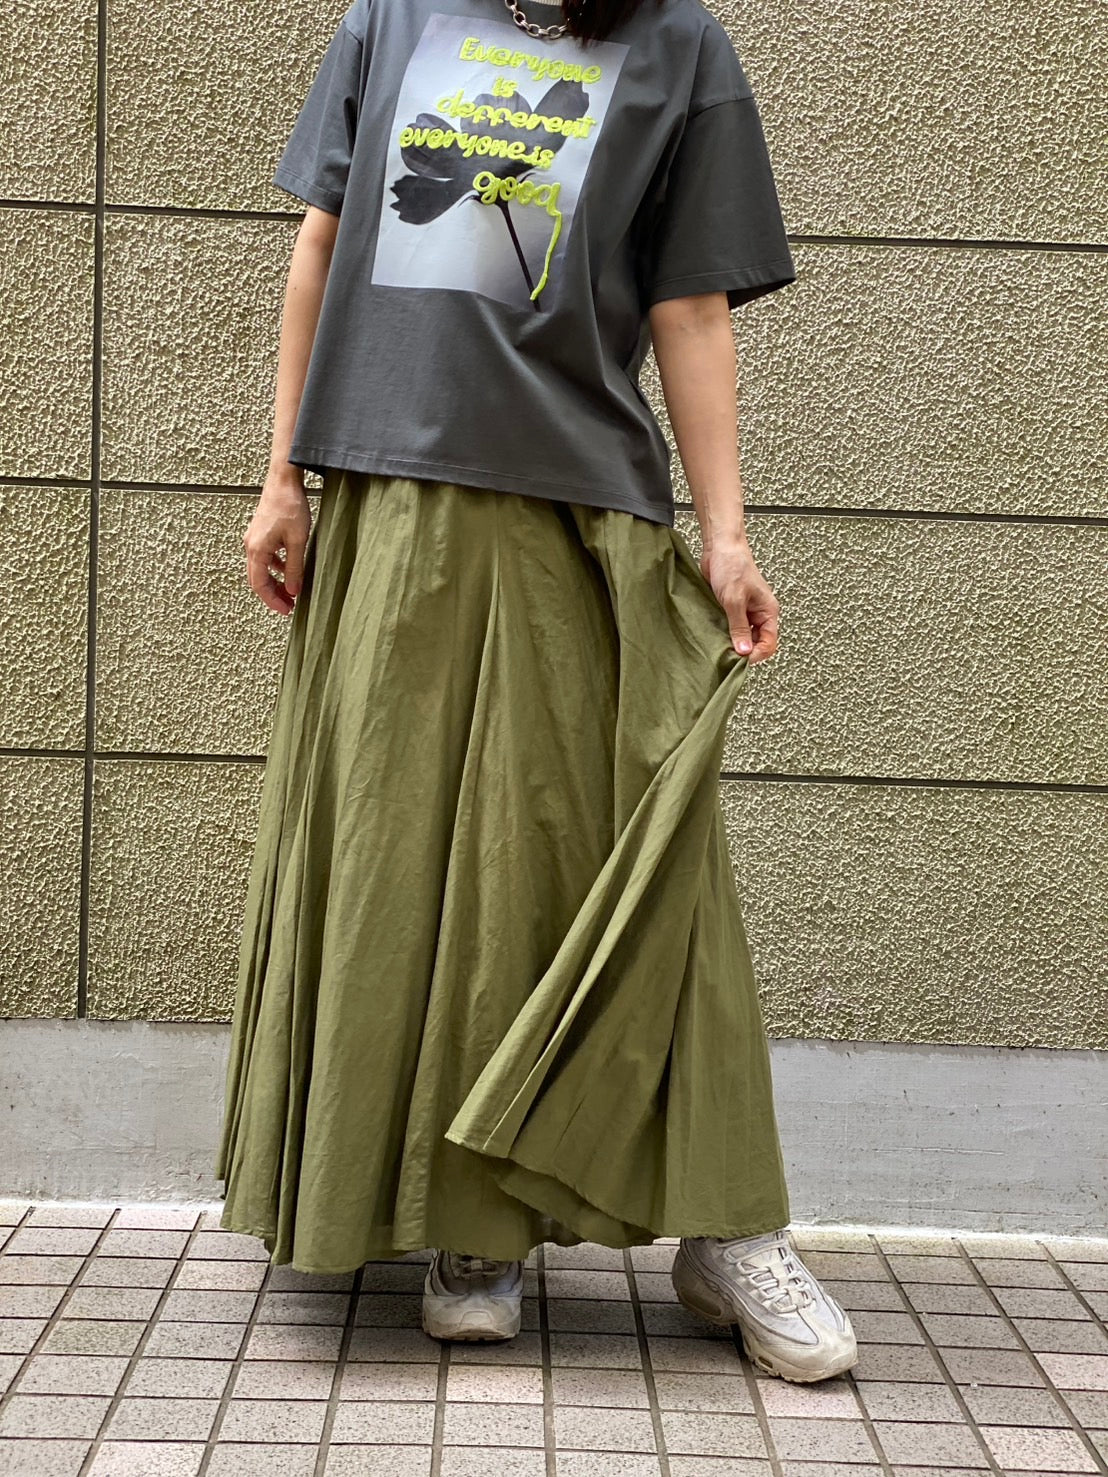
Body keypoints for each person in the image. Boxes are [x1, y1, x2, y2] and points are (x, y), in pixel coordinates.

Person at [215, 0, 859, 1385]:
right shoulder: (392, 16)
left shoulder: (679, 46)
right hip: (393, 504)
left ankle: (727, 1221)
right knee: (413, 872)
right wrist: (282, 476)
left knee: (643, 860)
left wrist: (727, 534)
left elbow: (690, 307)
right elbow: (322, 240)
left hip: (584, 508)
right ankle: (474, 1227)